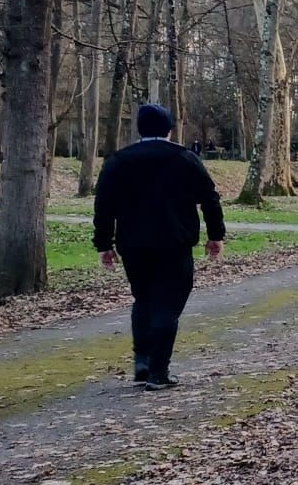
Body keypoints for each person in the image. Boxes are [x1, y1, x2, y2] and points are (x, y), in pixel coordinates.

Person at [93, 103, 226, 390]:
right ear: (168, 129)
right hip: (174, 243)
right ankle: (157, 371)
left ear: (139, 128)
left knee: (143, 299)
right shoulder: (184, 158)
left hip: (133, 244)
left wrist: (103, 243)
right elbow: (210, 199)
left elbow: (103, 206)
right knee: (168, 304)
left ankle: (142, 360)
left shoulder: (118, 161)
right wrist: (215, 236)